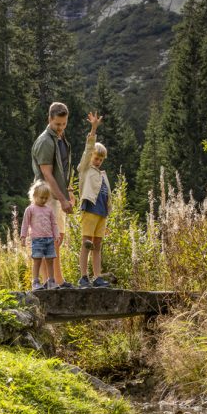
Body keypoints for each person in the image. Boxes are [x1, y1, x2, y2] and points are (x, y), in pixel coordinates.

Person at [30, 102, 74, 287]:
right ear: (49, 119)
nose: (61, 128)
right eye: (57, 124)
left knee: (58, 238)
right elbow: (47, 174)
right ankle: (49, 283)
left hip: (58, 195)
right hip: (46, 197)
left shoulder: (60, 139)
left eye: (64, 124)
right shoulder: (45, 141)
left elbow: (62, 169)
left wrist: (69, 192)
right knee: (47, 240)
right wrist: (62, 199)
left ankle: (56, 280)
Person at [76, 111, 112, 288]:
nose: (97, 161)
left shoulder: (103, 175)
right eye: (96, 158)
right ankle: (84, 276)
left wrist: (108, 214)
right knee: (87, 242)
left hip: (101, 213)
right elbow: (88, 147)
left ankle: (97, 277)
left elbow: (107, 197)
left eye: (100, 159)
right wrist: (93, 127)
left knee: (97, 245)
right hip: (89, 209)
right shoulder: (85, 169)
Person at [20, 181, 58, 290]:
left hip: (49, 239)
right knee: (37, 260)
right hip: (37, 240)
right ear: (34, 196)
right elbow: (25, 224)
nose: (44, 200)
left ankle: (51, 281)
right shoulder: (30, 209)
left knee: (50, 260)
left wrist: (56, 235)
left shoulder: (49, 210)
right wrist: (23, 237)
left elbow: (53, 223)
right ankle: (35, 282)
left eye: (46, 198)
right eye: (41, 197)